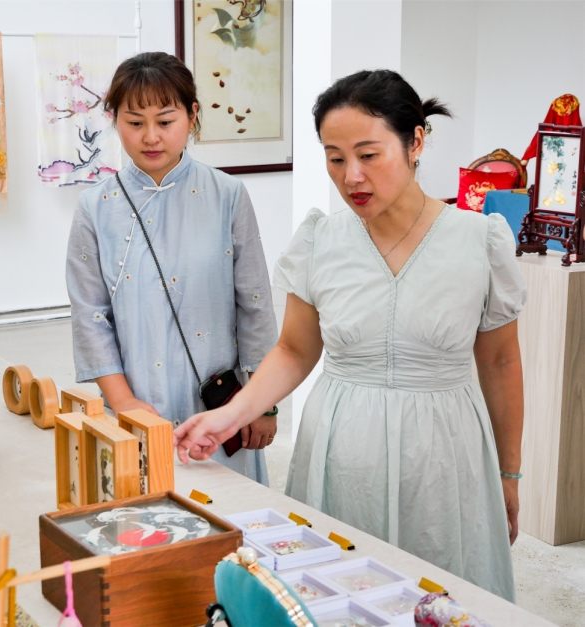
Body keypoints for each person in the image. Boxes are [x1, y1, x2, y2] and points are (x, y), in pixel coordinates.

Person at [174, 69, 526, 601]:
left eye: (369, 155)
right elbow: (294, 350)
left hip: (444, 454)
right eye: (335, 158)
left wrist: (509, 474)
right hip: (342, 448)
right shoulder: (321, 239)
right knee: (338, 588)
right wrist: (231, 415)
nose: (352, 177)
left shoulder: (479, 241)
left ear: (415, 142)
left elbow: (500, 363)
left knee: (442, 593)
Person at [66, 52, 278, 485]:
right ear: (114, 119)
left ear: (192, 115)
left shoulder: (228, 195)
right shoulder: (94, 207)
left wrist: (262, 402)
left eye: (165, 121)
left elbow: (255, 302)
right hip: (136, 402)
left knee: (228, 513)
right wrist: (124, 403)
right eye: (135, 122)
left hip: (218, 407)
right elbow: (90, 315)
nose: (151, 137)